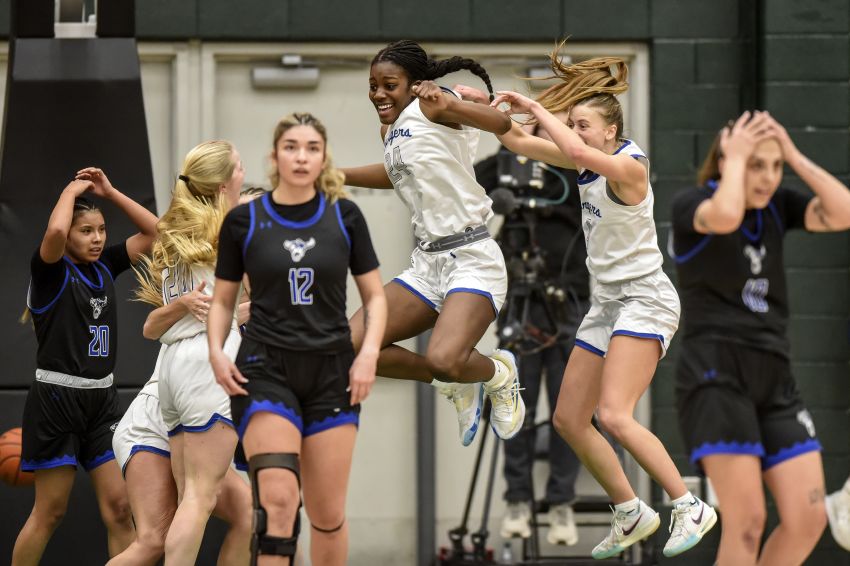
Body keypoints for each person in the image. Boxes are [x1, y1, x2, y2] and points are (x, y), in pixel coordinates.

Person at [466, 47, 716, 559]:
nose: (575, 133)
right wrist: (477, 107)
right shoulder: (586, 161)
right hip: (606, 305)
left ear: (609, 130)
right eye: (572, 124)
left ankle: (688, 505)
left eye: (582, 124)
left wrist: (538, 111)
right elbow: (513, 139)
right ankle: (629, 511)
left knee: (615, 415)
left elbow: (574, 152)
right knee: (568, 420)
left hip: (645, 299)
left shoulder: (629, 165)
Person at [670, 111, 850, 566]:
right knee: (747, 522)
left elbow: (844, 210)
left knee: (809, 519)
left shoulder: (776, 206)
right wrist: (735, 158)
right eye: (756, 164)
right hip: (716, 373)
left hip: (774, 374)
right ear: (727, 159)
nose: (769, 177)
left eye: (775, 167)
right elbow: (727, 215)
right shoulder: (692, 205)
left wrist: (790, 152)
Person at [208, 112, 387, 566]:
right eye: (291, 147)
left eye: (311, 148)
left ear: (324, 157)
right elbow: (223, 301)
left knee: (327, 516)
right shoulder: (245, 221)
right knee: (279, 503)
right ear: (274, 156)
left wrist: (367, 355)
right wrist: (215, 349)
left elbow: (376, 299)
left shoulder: (344, 215)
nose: (301, 156)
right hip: (265, 368)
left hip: (332, 372)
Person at [340, 39, 525, 448]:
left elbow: (501, 126)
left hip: (472, 257)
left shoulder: (436, 105)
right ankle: (454, 382)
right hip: (427, 266)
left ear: (414, 84)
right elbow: (398, 175)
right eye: (373, 86)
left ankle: (497, 375)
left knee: (446, 356)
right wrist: (334, 176)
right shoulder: (392, 128)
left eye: (389, 84)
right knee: (347, 348)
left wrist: (449, 102)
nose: (378, 94)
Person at [107, 189, 267, 566]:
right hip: (149, 424)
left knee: (250, 516)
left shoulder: (235, 292)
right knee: (153, 540)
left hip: (184, 411)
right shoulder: (210, 269)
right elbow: (149, 324)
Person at [14, 168, 158, 565]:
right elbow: (55, 235)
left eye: (101, 230)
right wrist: (69, 190)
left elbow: (157, 234)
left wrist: (110, 192)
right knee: (50, 512)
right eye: (86, 231)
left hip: (101, 404)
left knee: (119, 508)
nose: (96, 239)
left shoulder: (104, 265)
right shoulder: (50, 271)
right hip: (56, 402)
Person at [133, 140, 250, 565]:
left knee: (192, 499)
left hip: (174, 368)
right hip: (207, 361)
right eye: (239, 168)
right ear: (223, 184)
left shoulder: (178, 229)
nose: (244, 173)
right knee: (200, 499)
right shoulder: (230, 226)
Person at [474, 128, 588, 546]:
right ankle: (517, 500)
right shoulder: (500, 165)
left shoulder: (577, 170)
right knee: (513, 406)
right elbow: (460, 197)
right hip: (519, 299)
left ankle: (561, 503)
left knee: (570, 413)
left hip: (570, 300)